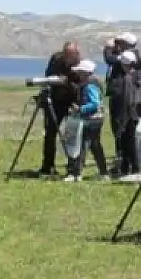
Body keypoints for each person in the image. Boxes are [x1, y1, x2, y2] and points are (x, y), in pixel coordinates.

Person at [38, 41, 80, 177]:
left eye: (71, 55)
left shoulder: (80, 64)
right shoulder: (56, 59)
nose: (69, 58)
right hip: (55, 101)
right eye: (67, 55)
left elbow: (81, 84)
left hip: (71, 101)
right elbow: (48, 76)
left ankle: (72, 167)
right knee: (50, 133)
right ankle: (48, 166)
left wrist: (67, 82)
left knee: (72, 134)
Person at [64, 59, 110, 182]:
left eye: (80, 72)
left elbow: (94, 103)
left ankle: (77, 173)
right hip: (97, 119)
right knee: (95, 146)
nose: (78, 74)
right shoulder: (94, 82)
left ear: (85, 73)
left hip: (91, 119)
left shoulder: (89, 85)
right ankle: (103, 172)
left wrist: (80, 109)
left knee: (82, 145)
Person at [111, 50, 141, 183]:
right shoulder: (134, 76)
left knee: (129, 143)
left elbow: (126, 100)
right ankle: (126, 169)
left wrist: (122, 119)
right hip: (131, 114)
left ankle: (134, 169)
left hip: (128, 114)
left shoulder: (127, 78)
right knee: (125, 143)